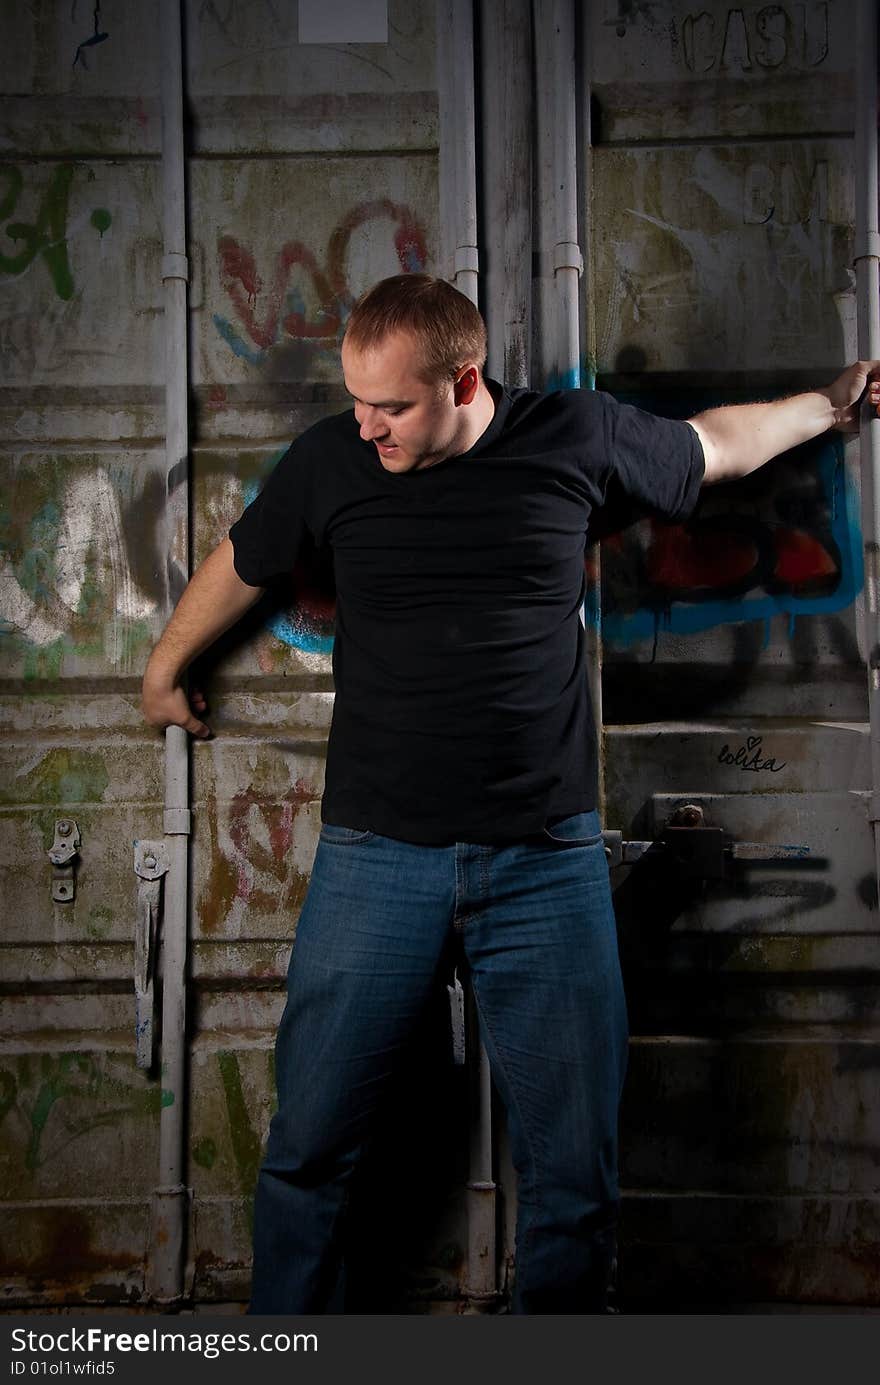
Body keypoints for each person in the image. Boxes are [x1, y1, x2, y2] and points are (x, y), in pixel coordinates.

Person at [142, 273, 879, 1314]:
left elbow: (715, 445)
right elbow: (245, 557)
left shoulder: (573, 438)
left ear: (462, 380)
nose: (368, 425)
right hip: (375, 857)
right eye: (357, 401)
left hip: (543, 862)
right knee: (307, 1153)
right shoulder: (331, 460)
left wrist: (829, 404)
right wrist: (162, 665)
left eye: (391, 405)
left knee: (574, 1172)